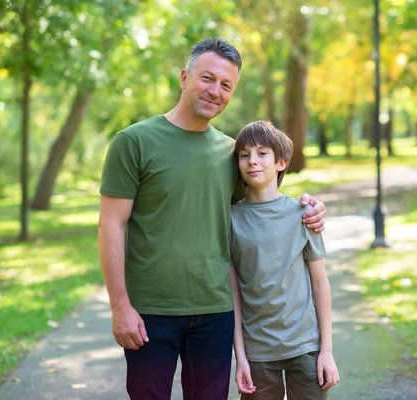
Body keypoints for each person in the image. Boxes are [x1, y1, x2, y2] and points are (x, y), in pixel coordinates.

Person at [97, 38, 326, 400]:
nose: (215, 91)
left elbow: (262, 201)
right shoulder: (134, 142)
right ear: (185, 77)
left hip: (216, 313)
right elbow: (112, 224)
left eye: (226, 86)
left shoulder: (230, 153)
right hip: (150, 312)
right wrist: (119, 306)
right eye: (207, 78)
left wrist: (310, 207)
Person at [229, 120, 340, 400]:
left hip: (305, 347)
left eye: (261, 153)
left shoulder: (303, 214)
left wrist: (326, 350)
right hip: (258, 352)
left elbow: (320, 283)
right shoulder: (230, 219)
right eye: (244, 155)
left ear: (280, 163)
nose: (252, 161)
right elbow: (233, 296)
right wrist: (240, 357)